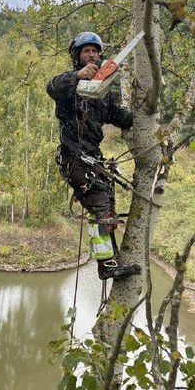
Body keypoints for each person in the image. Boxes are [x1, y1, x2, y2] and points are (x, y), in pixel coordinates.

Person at [47, 31, 141, 281]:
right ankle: (108, 267)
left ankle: (109, 262)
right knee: (101, 206)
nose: (92, 54)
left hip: (92, 156)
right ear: (77, 57)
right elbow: (52, 86)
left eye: (95, 51)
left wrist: (136, 115)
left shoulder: (101, 90)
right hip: (74, 157)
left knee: (106, 207)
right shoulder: (69, 85)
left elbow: (113, 113)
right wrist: (78, 76)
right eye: (86, 51)